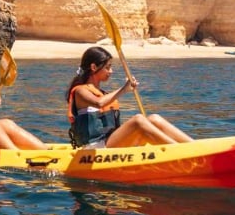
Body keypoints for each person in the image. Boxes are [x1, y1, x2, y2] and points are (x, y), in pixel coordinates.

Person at [66, 46, 194, 148]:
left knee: (154, 119)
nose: (111, 71)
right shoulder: (80, 91)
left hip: (110, 142)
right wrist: (124, 88)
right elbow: (99, 103)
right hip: (94, 147)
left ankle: (193, 146)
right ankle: (178, 150)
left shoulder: (103, 92)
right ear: (94, 67)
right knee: (138, 120)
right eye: (107, 67)